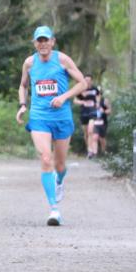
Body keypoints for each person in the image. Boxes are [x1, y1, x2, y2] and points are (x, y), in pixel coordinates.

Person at [15, 26, 86, 226]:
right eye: (39, 40)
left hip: (62, 118)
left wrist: (63, 97)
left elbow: (82, 83)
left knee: (60, 165)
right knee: (46, 159)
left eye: (46, 40)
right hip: (39, 117)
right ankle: (54, 209)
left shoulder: (62, 60)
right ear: (34, 43)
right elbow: (23, 85)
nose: (43, 44)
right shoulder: (29, 63)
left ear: (53, 42)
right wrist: (22, 106)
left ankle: (60, 180)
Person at [73, 74, 100, 157]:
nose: (87, 81)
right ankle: (89, 148)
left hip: (92, 111)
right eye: (86, 80)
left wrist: (97, 103)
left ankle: (90, 151)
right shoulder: (81, 89)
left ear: (91, 81)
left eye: (89, 80)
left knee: (90, 130)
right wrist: (81, 102)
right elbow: (75, 100)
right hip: (84, 112)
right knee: (86, 133)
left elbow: (98, 96)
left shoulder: (95, 89)